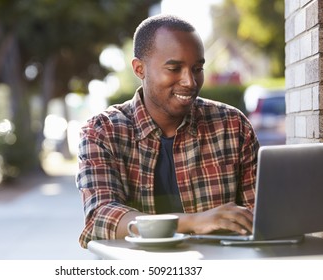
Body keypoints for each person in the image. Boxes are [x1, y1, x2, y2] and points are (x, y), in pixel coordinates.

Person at [76, 14, 259, 248]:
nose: (190, 82)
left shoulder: (233, 126)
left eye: (197, 68)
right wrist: (193, 222)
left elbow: (261, 214)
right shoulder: (102, 132)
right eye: (174, 68)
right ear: (139, 68)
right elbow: (100, 219)